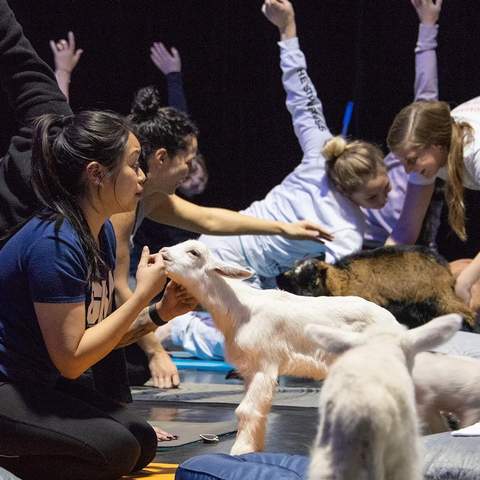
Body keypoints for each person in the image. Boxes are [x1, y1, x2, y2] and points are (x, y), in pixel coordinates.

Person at [154, 0, 395, 359]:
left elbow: (303, 97)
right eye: (375, 197)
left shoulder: (323, 153)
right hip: (224, 254)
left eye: (386, 190)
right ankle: (179, 330)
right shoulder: (342, 211)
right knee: (257, 349)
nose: (384, 202)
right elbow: (300, 92)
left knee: (278, 347)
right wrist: (288, 29)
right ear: (348, 188)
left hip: (259, 276)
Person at [0, 108, 197, 478]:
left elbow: (100, 337)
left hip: (38, 382)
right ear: (96, 174)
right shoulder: (55, 242)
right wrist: (142, 296)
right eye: (134, 165)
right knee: (116, 450)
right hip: (8, 385)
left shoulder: (100, 232)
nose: (142, 176)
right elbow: (73, 360)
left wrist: (161, 312)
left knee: (140, 439)